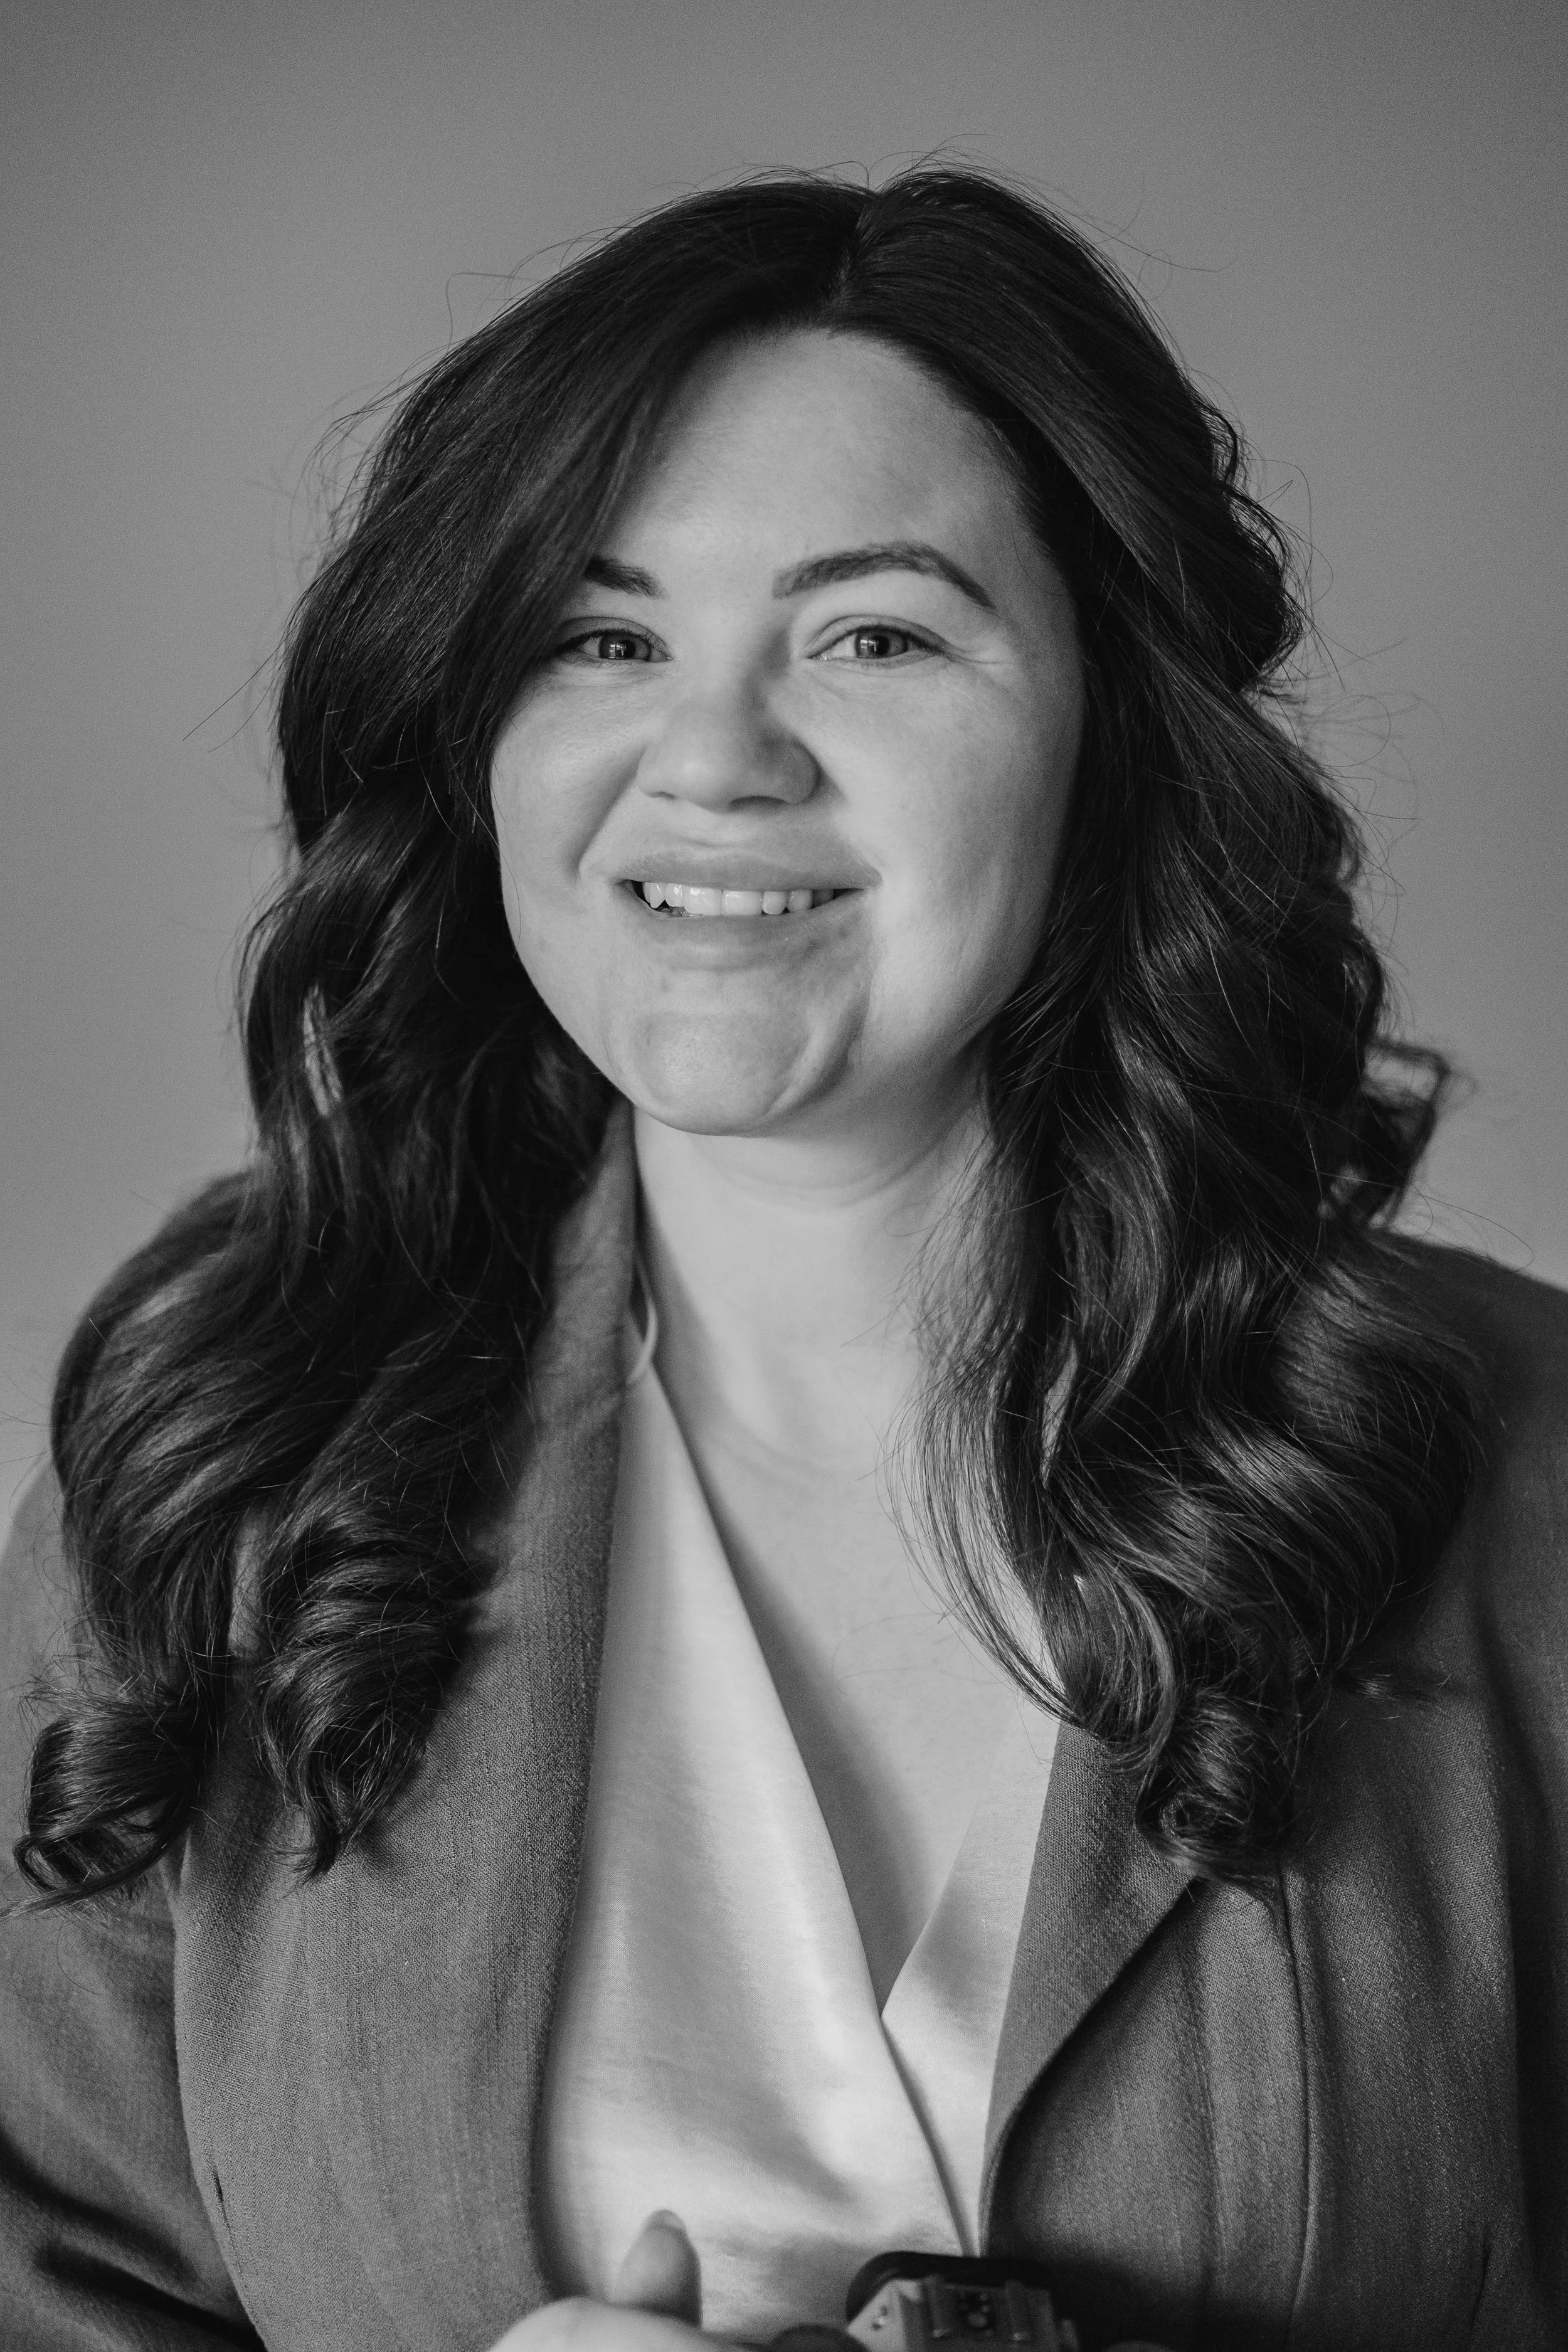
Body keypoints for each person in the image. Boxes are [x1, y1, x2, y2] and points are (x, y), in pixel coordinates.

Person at [1, 166, 1564, 2352]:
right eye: (603, 636)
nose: (714, 757)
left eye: (876, 633)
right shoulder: (198, 1473)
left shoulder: (1527, 1480)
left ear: (1112, 733)